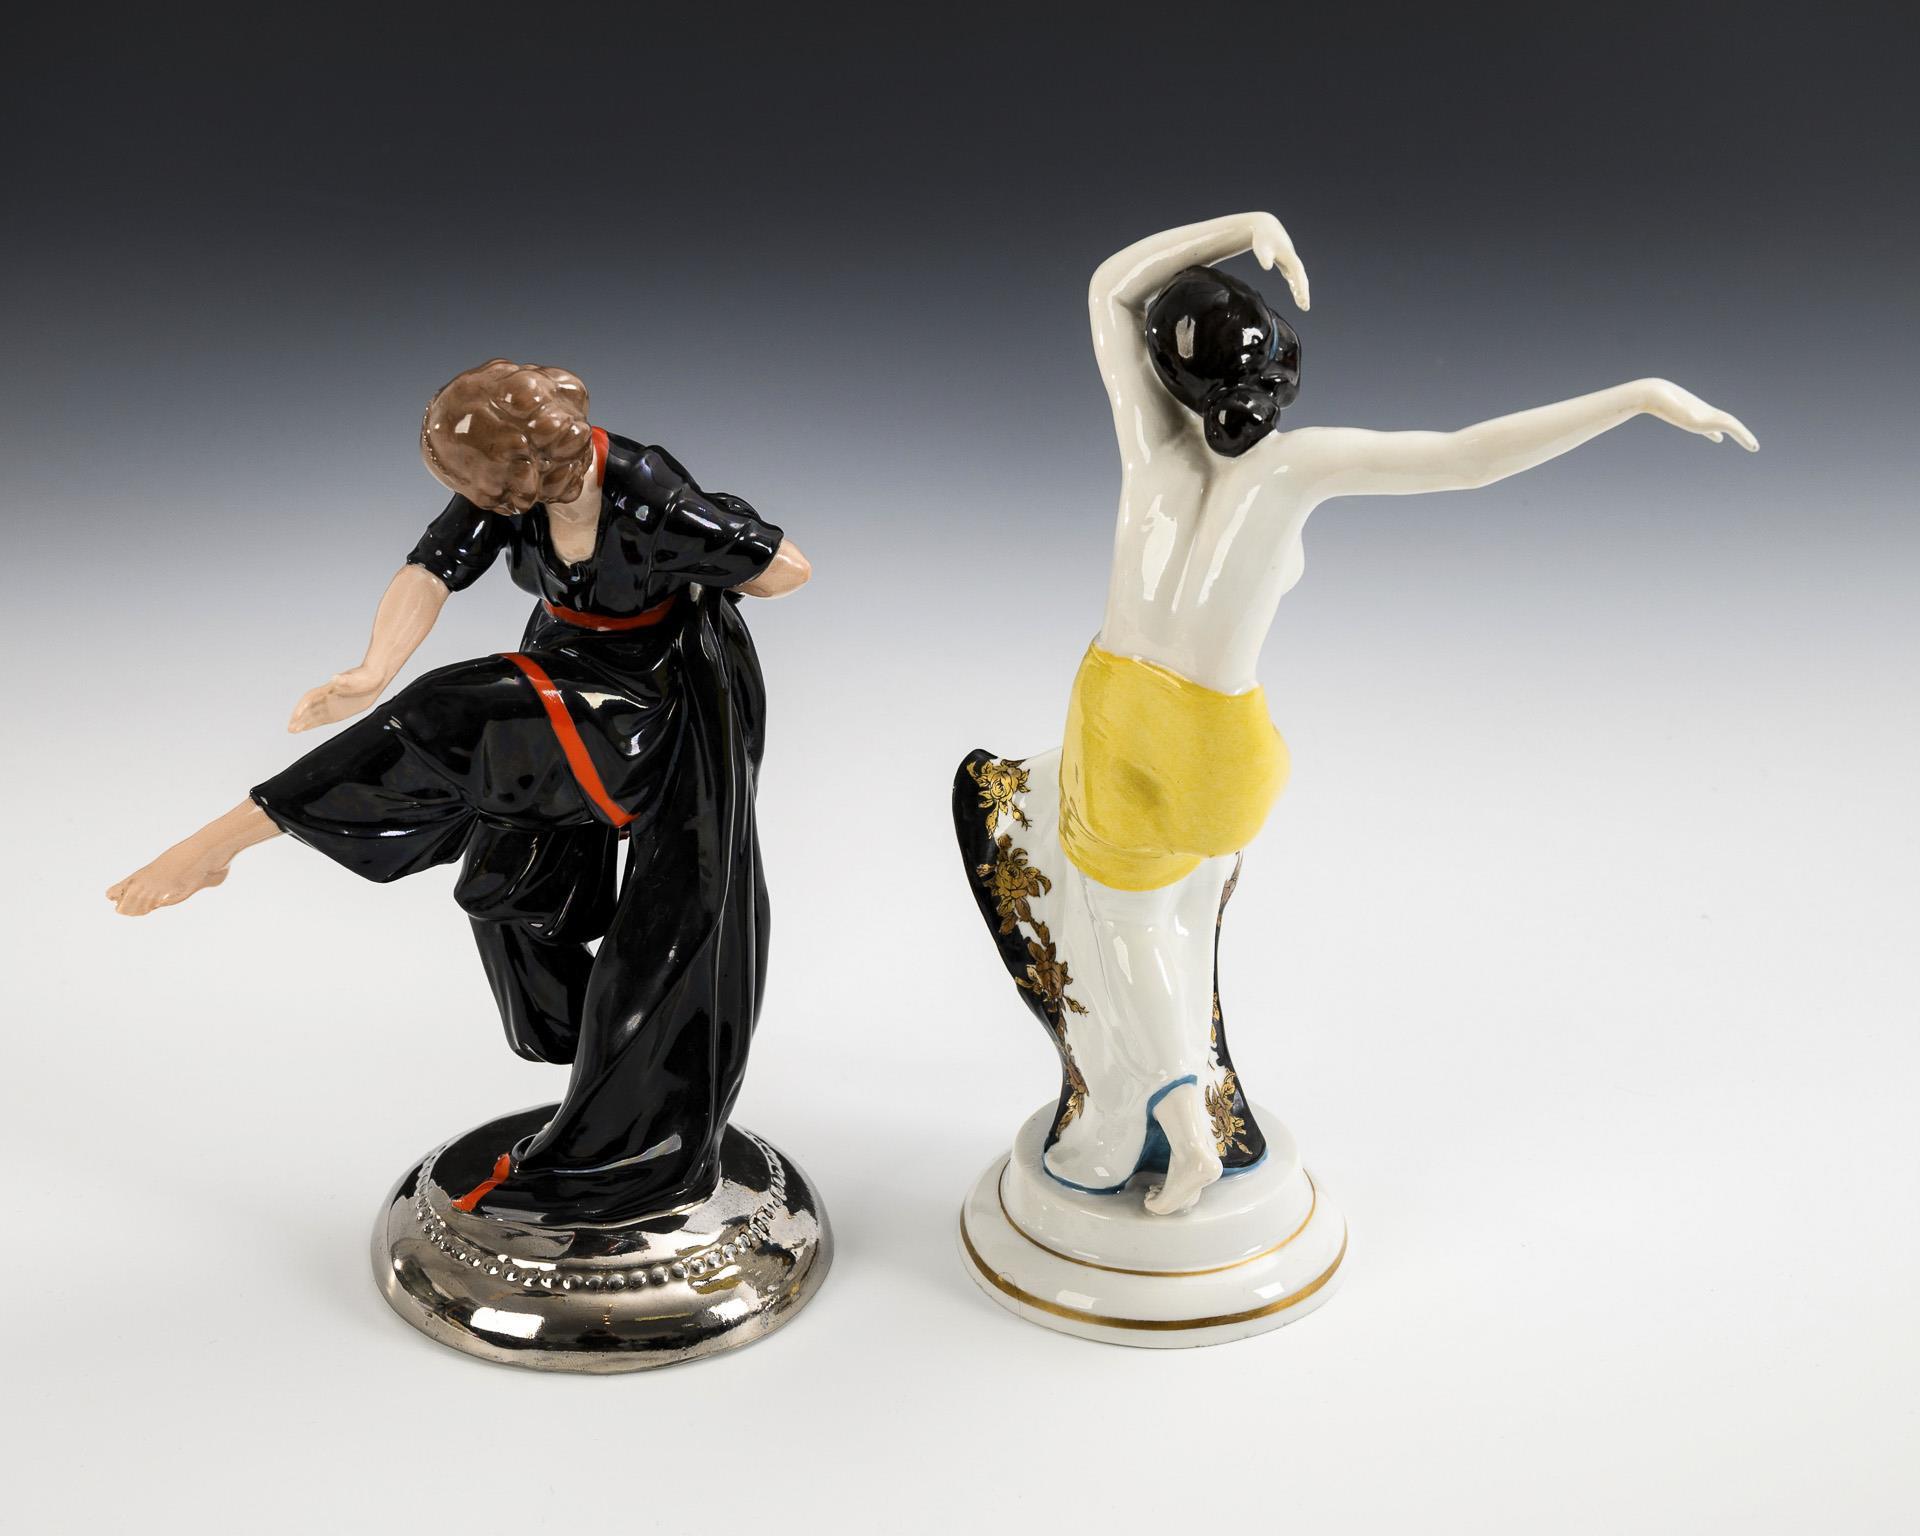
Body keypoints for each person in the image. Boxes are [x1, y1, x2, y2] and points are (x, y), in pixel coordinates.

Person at [958, 213, 1755, 1214]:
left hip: (1122, 727)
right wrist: (1636, 396)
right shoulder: (1301, 465)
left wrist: (1243, 224)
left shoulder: (1150, 450)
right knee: (1186, 925)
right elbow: (1468, 457)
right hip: (1226, 757)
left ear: (1168, 377)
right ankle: (1197, 1098)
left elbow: (1109, 287)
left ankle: (1185, 1128)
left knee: (1129, 933)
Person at [110, 359, 811, 1223]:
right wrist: (372, 669)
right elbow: (432, 568)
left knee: (447, 713)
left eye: (498, 493)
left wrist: (712, 547)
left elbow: (787, 569)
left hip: (654, 701)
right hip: (569, 662)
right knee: (504, 885)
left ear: (537, 464)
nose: (492, 508)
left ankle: (218, 845)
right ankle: (587, 1039)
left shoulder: (646, 492)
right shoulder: (511, 483)